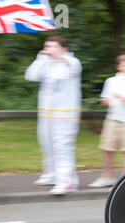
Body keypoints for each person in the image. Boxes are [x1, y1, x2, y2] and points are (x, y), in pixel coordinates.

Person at [25, 36, 82, 195]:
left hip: (65, 115)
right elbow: (31, 76)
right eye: (46, 46)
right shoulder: (46, 63)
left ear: (63, 48)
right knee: (47, 144)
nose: (48, 49)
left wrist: (59, 58)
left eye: (52, 46)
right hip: (47, 113)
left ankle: (67, 182)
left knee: (62, 147)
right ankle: (51, 174)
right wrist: (40, 59)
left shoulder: (72, 62)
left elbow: (71, 70)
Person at [88, 55, 125, 188]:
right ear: (119, 67)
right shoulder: (111, 81)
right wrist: (106, 101)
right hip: (113, 119)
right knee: (107, 148)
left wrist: (123, 98)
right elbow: (105, 99)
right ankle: (106, 177)